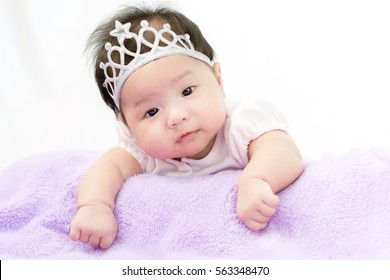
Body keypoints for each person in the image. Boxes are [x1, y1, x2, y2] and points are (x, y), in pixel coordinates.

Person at [69, 4, 304, 249]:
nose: (176, 117)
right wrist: (95, 206)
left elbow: (283, 151)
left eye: (187, 91)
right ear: (127, 126)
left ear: (218, 80)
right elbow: (105, 171)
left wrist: (257, 180)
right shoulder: (143, 152)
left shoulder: (240, 125)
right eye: (151, 111)